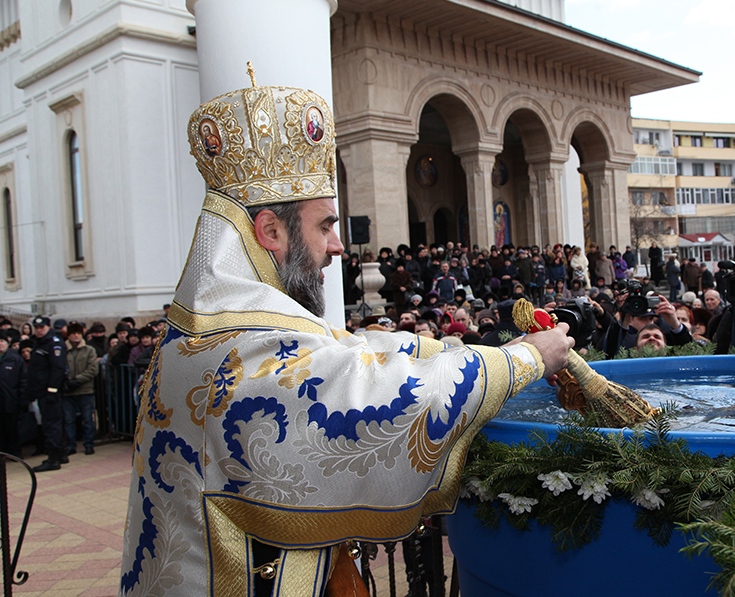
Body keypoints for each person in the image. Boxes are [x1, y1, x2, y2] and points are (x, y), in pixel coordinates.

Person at [120, 81, 572, 596]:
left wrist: (454, 349)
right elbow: (366, 400)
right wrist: (525, 359)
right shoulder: (239, 343)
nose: (338, 245)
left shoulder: (221, 326)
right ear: (270, 231)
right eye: (325, 226)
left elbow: (345, 352)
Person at [26, 316, 67, 472]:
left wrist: (52, 389)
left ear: (47, 327)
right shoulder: (40, 341)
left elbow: (58, 368)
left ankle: (53, 458)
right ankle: (61, 454)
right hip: (41, 391)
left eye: (41, 327)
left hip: (49, 392)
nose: (38, 330)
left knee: (51, 424)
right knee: (52, 423)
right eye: (36, 327)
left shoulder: (53, 342)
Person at [63, 322, 99, 456]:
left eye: (78, 333)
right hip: (68, 391)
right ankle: (71, 445)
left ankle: (89, 444)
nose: (76, 336)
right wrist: (66, 381)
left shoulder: (89, 350)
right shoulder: (64, 350)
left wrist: (78, 379)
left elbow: (93, 369)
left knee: (87, 419)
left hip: (85, 390)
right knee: (69, 420)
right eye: (73, 334)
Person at [0, 333, 27, 458]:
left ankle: (14, 453)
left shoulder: (15, 359)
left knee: (12, 429)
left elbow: (23, 380)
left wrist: (22, 399)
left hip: (11, 400)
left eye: (2, 341)